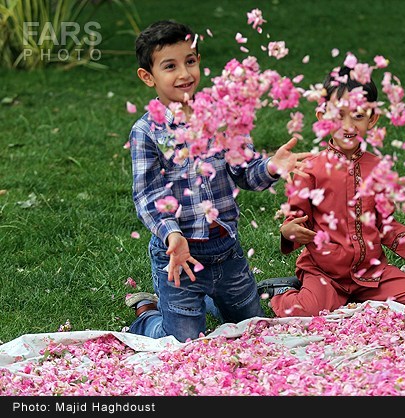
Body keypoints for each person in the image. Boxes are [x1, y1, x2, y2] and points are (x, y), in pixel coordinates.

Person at [125, 20, 310, 342]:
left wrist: (271, 167)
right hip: (179, 255)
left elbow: (244, 171)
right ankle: (148, 314)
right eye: (170, 66)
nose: (184, 74)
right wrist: (172, 236)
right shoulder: (146, 132)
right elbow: (148, 196)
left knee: (253, 329)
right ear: (148, 76)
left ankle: (210, 300)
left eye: (191, 62)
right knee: (181, 342)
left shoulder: (222, 117)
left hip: (226, 251)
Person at [262, 65, 405, 318]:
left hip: (371, 272)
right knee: (301, 312)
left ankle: (343, 299)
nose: (348, 125)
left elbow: (383, 224)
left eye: (358, 116)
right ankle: (283, 291)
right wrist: (288, 232)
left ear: (373, 119)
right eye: (339, 115)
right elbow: (296, 222)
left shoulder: (377, 168)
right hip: (325, 274)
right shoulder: (309, 169)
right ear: (322, 117)